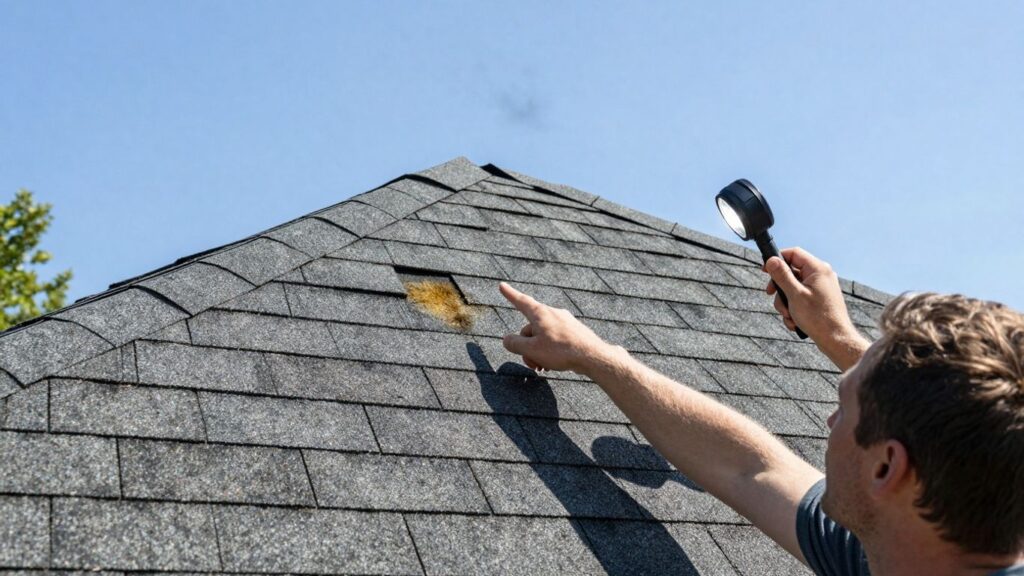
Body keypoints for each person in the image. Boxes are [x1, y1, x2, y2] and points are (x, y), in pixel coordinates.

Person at [498, 247, 1024, 576]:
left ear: (887, 468)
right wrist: (594, 355)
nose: (829, 422)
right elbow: (748, 467)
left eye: (843, 408)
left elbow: (753, 469)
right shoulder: (912, 544)